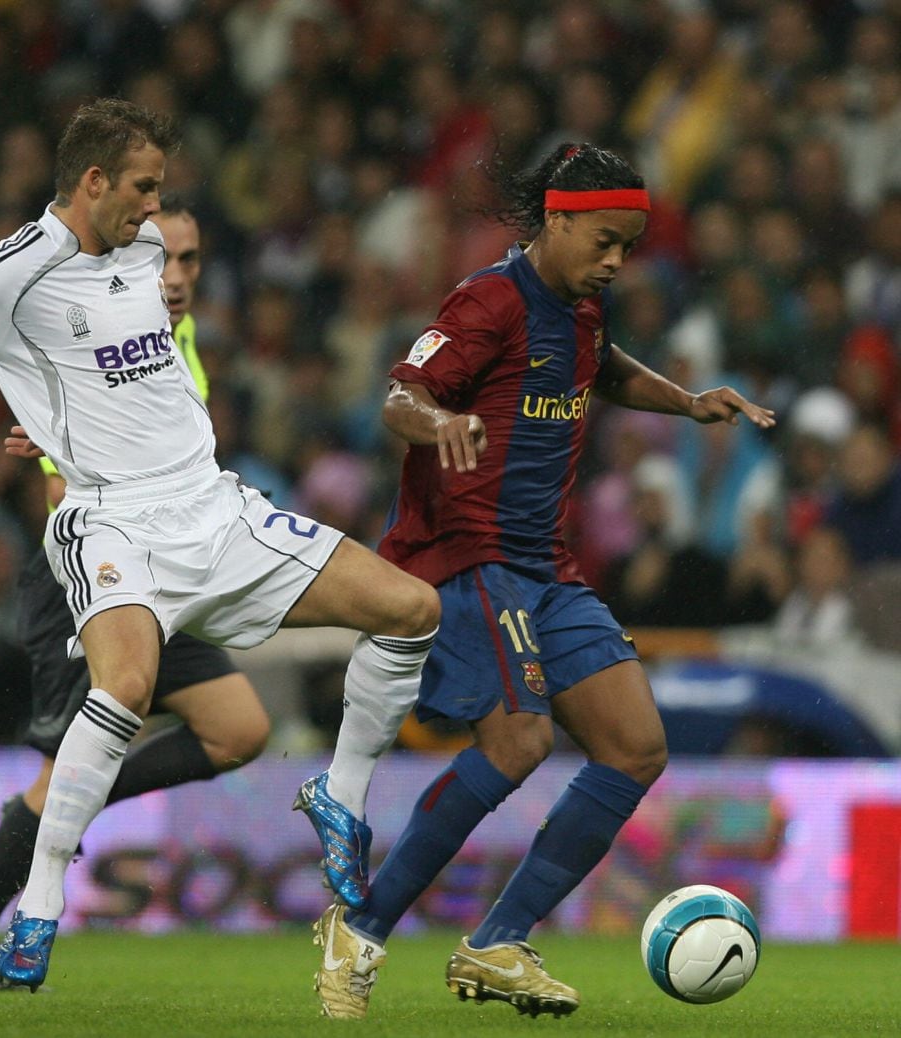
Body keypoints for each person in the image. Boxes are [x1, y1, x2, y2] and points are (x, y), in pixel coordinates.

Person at [0, 98, 441, 992]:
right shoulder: (14, 272)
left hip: (216, 510)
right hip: (110, 521)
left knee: (411, 608)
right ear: (93, 182)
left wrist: (54, 420)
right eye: (145, 190)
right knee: (126, 688)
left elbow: (125, 377)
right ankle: (36, 909)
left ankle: (340, 802)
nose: (156, 212)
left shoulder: (146, 253)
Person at [295, 142, 775, 1019]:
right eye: (605, 240)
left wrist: (687, 400)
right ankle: (359, 930)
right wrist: (438, 420)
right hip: (467, 556)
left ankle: (498, 942)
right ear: (556, 220)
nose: (617, 261)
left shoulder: (583, 309)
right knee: (519, 742)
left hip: (546, 568)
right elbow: (398, 396)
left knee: (635, 747)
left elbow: (605, 368)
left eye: (629, 245)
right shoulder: (487, 299)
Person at [0, 196, 271, 991]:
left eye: (189, 261)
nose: (176, 276)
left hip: (164, 573)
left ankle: (84, 799)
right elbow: (62, 493)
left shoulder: (174, 339)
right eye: (163, 258)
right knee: (60, 775)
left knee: (239, 728)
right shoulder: (90, 337)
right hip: (92, 580)